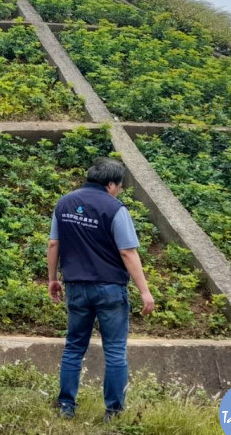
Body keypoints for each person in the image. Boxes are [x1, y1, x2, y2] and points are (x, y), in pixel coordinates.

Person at [47, 157, 156, 420]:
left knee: (74, 346)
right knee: (115, 350)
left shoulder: (64, 203)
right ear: (110, 184)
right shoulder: (115, 208)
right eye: (119, 185)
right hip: (110, 288)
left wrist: (52, 278)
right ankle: (114, 412)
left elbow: (53, 244)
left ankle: (66, 406)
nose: (119, 190)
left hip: (76, 288)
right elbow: (128, 252)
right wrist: (144, 291)